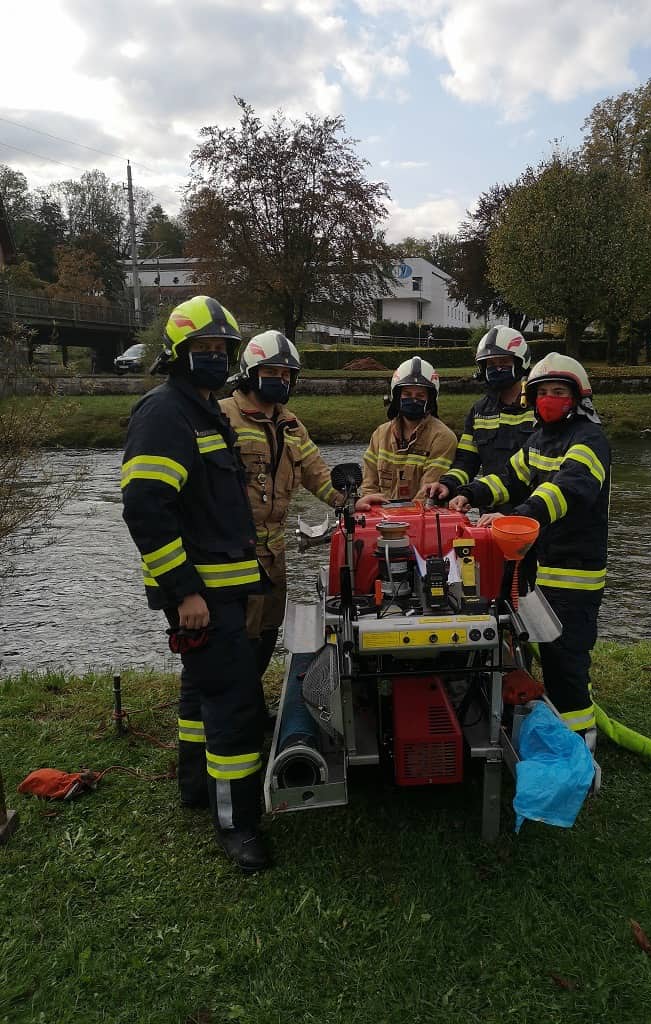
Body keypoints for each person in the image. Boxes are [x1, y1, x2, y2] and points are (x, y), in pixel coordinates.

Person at [121, 295, 272, 873]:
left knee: (199, 688)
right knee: (235, 702)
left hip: (218, 588)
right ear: (176, 354)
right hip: (200, 593)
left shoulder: (204, 410)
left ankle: (194, 785)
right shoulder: (164, 413)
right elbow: (145, 507)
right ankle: (238, 825)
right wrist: (184, 592)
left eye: (221, 348)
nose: (213, 357)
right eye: (202, 348)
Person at [451, 353, 610, 750]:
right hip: (543, 569)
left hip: (575, 574)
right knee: (544, 652)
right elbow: (509, 477)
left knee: (566, 658)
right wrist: (469, 493)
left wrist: (517, 517)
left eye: (559, 392)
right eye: (543, 392)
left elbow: (565, 490)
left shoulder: (589, 440)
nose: (549, 399)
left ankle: (578, 742)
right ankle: (552, 721)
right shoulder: (540, 439)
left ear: (577, 398)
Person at [219, 330, 343, 726]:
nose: (280, 380)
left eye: (287, 374)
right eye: (271, 372)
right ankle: (236, 715)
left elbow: (317, 473)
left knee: (267, 632)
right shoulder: (222, 416)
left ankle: (251, 708)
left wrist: (350, 501)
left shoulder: (290, 424)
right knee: (239, 639)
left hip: (276, 553)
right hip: (236, 552)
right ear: (249, 373)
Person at [425, 325, 535, 510]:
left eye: (503, 362)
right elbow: (466, 461)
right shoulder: (479, 411)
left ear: (520, 363)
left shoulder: (538, 407)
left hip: (531, 512)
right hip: (489, 512)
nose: (497, 368)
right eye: (490, 364)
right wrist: (448, 484)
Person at [356, 356, 457, 511]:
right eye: (407, 394)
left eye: (420, 395)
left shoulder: (443, 438)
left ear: (430, 399)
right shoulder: (380, 435)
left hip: (424, 518)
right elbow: (369, 486)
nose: (413, 400)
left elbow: (428, 492)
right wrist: (372, 508)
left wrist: (401, 516)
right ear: (397, 397)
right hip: (382, 519)